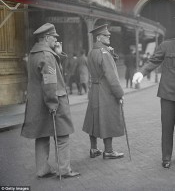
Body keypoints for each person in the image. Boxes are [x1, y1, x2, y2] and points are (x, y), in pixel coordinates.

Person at [132, 17, 175, 168]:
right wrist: (141, 73)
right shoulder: (166, 45)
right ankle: (166, 157)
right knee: (167, 127)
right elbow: (153, 61)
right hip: (168, 93)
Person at [21, 23, 80, 178]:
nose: (56, 40)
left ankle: (43, 169)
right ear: (46, 38)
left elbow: (49, 74)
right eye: (54, 37)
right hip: (52, 100)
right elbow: (50, 82)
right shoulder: (47, 56)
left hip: (37, 102)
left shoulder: (35, 53)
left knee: (42, 135)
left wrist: (58, 53)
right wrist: (53, 104)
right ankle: (64, 170)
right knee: (62, 136)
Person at [82, 24, 125, 159]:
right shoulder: (104, 53)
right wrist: (119, 94)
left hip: (94, 88)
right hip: (105, 90)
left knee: (94, 119)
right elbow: (111, 77)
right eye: (106, 35)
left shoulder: (91, 52)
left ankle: (94, 149)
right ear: (99, 37)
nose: (109, 37)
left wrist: (111, 54)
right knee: (108, 118)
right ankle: (108, 151)